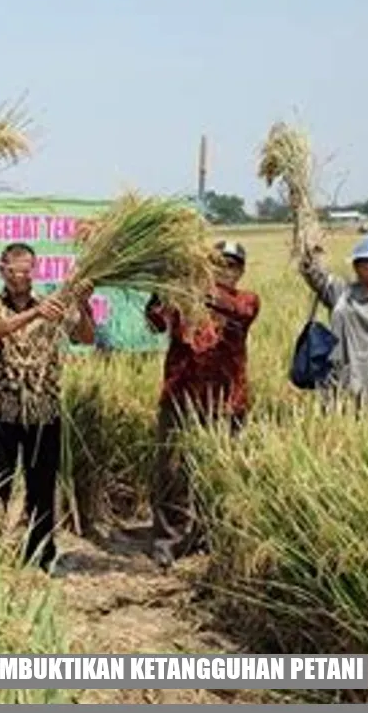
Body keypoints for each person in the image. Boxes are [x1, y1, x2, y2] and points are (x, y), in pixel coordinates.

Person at [0, 242, 95, 573]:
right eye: (15, 270)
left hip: (43, 412)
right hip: (2, 412)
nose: (21, 276)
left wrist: (83, 304)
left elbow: (86, 337)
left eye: (28, 269)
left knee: (41, 488)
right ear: (2, 270)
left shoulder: (53, 304)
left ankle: (40, 555)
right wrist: (34, 314)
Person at [144, 240, 260, 571]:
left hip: (227, 401)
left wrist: (188, 287)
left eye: (232, 265)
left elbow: (237, 312)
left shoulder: (246, 301)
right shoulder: (183, 298)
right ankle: (169, 542)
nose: (226, 270)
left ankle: (211, 537)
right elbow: (155, 322)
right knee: (173, 471)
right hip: (181, 397)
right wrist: (161, 290)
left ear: (241, 270)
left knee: (218, 472)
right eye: (218, 264)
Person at [299, 233, 368, 408]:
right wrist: (308, 241)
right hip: (341, 393)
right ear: (356, 266)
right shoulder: (341, 294)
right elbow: (313, 273)